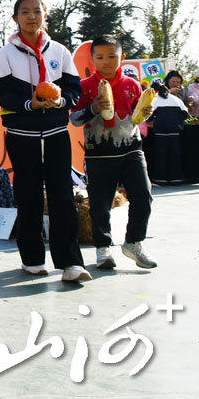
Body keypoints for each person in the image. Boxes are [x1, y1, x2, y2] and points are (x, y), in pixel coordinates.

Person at [0, 0, 90, 283]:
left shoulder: (59, 51)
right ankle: (32, 259)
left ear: (45, 16)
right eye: (25, 12)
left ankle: (70, 263)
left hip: (56, 134)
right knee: (28, 197)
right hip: (22, 136)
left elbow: (73, 89)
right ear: (16, 18)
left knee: (63, 197)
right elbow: (2, 94)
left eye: (37, 11)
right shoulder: (5, 54)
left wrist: (60, 101)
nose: (31, 16)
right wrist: (30, 104)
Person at [70, 35, 157, 269]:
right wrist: (93, 108)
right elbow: (75, 119)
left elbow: (137, 116)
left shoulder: (132, 85)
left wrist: (146, 113)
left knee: (143, 196)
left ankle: (134, 242)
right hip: (98, 153)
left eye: (112, 56)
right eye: (100, 57)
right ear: (92, 59)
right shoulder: (85, 86)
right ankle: (103, 248)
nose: (106, 61)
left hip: (131, 150)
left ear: (122, 57)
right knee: (100, 205)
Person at [148, 77, 188, 185]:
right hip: (175, 131)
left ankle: (161, 179)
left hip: (160, 132)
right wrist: (177, 121)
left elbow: (149, 115)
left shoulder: (155, 99)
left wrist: (154, 121)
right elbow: (185, 113)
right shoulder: (176, 99)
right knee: (175, 156)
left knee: (161, 156)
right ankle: (176, 178)